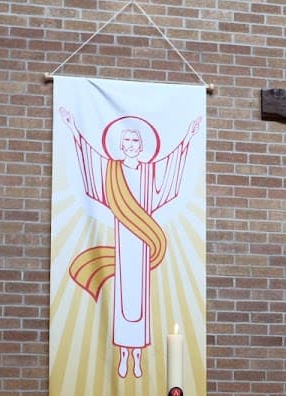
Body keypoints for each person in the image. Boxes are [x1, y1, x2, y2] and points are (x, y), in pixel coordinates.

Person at [59, 109, 202, 378]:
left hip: (143, 242)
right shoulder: (111, 170)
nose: (130, 146)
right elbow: (91, 160)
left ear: (142, 146)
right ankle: (123, 354)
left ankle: (138, 356)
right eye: (126, 142)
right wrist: (75, 130)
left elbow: (170, 174)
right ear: (120, 145)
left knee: (140, 299)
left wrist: (187, 139)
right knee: (124, 296)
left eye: (135, 142)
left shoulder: (149, 173)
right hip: (124, 239)